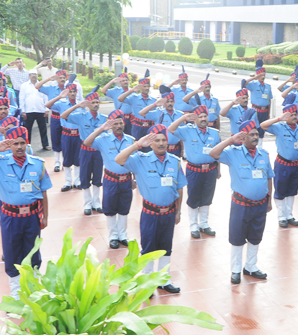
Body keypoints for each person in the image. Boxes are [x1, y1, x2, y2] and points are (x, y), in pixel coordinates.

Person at [0, 126, 51, 299]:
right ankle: (16, 294)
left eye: (22, 143)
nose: (19, 147)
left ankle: (35, 291)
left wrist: (45, 216)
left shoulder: (38, 164)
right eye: (14, 143)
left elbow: (44, 193)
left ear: (27, 143)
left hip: (32, 217)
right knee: (12, 253)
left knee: (33, 251)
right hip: (11, 217)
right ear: (9, 145)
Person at [115, 125, 187, 294]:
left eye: (163, 140)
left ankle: (163, 280)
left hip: (169, 213)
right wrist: (137, 145)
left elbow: (180, 188)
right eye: (157, 140)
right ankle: (147, 283)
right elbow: (119, 159)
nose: (161, 143)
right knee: (148, 247)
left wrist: (178, 211)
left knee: (166, 247)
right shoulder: (140, 159)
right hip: (150, 213)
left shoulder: (175, 162)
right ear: (151, 143)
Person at [209, 111, 274, 284]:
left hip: (260, 204)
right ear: (243, 138)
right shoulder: (233, 153)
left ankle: (251, 266)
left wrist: (269, 199)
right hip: (241, 204)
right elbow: (213, 154)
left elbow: (269, 177)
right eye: (251, 134)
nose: (255, 137)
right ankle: (235, 270)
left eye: (256, 134)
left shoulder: (264, 155)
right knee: (237, 237)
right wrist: (231, 140)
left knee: (255, 236)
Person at [169, 105, 221, 238]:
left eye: (205, 116)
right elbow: (171, 129)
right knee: (193, 197)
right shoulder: (187, 130)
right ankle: (193, 226)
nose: (203, 119)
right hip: (194, 170)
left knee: (207, 198)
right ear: (195, 119)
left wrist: (218, 170)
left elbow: (218, 152)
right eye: (200, 116)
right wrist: (183, 118)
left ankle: (204, 224)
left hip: (210, 170)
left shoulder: (214, 133)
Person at [84, 110, 135, 249]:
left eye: (120, 123)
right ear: (110, 125)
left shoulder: (130, 140)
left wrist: (135, 179)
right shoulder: (103, 139)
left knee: (124, 208)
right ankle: (113, 236)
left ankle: (123, 235)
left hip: (126, 180)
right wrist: (101, 129)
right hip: (111, 180)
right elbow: (87, 143)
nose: (119, 126)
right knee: (110, 207)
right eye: (115, 124)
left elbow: (136, 160)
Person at [260, 104, 298, 227]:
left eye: (295, 114)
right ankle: (281, 216)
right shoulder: (279, 127)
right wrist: (279, 119)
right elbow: (263, 125)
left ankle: (289, 215)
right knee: (281, 190)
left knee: (292, 190)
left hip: (296, 165)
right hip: (283, 164)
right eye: (291, 114)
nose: (294, 116)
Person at [61, 90, 107, 215]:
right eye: (93, 102)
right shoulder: (81, 116)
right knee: (85, 177)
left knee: (97, 178)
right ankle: (87, 204)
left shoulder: (104, 119)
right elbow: (63, 116)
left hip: (98, 152)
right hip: (85, 151)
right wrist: (77, 106)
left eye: (97, 102)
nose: (96, 104)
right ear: (87, 104)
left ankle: (96, 203)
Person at [37, 69, 81, 171]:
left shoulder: (69, 88)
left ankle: (67, 161)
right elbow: (37, 87)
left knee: (68, 140)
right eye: (59, 77)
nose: (61, 79)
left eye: (63, 77)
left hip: (69, 118)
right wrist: (48, 79)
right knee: (56, 139)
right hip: (56, 116)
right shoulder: (51, 88)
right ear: (56, 79)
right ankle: (57, 162)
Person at [46, 84, 81, 191]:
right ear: (67, 93)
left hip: (78, 135)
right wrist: (59, 97)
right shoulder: (61, 104)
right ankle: (68, 182)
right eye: (70, 91)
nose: (73, 93)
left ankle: (77, 181)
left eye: (74, 91)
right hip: (66, 134)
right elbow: (48, 105)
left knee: (78, 158)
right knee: (67, 157)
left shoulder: (80, 105)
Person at [245, 59, 273, 148]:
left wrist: (268, 113)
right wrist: (254, 78)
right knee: (254, 129)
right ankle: (252, 146)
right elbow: (243, 84)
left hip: (264, 111)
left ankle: (259, 147)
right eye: (261, 75)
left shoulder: (268, 86)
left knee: (262, 130)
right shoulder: (253, 84)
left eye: (264, 74)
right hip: (255, 111)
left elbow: (269, 100)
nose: (263, 76)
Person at [20, 70, 50, 150]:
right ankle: (27, 145)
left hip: (40, 110)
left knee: (43, 129)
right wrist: (23, 111)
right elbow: (22, 98)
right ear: (29, 76)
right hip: (28, 111)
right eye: (32, 74)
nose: (33, 76)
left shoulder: (42, 85)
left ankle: (45, 144)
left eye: (35, 74)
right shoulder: (24, 86)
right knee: (27, 130)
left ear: (37, 76)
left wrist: (46, 109)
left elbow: (46, 98)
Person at [118, 76, 155, 142]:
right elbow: (120, 99)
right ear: (140, 87)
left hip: (149, 126)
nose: (146, 88)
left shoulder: (153, 100)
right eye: (144, 86)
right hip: (138, 126)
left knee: (149, 147)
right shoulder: (134, 98)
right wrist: (131, 90)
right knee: (136, 146)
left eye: (148, 86)